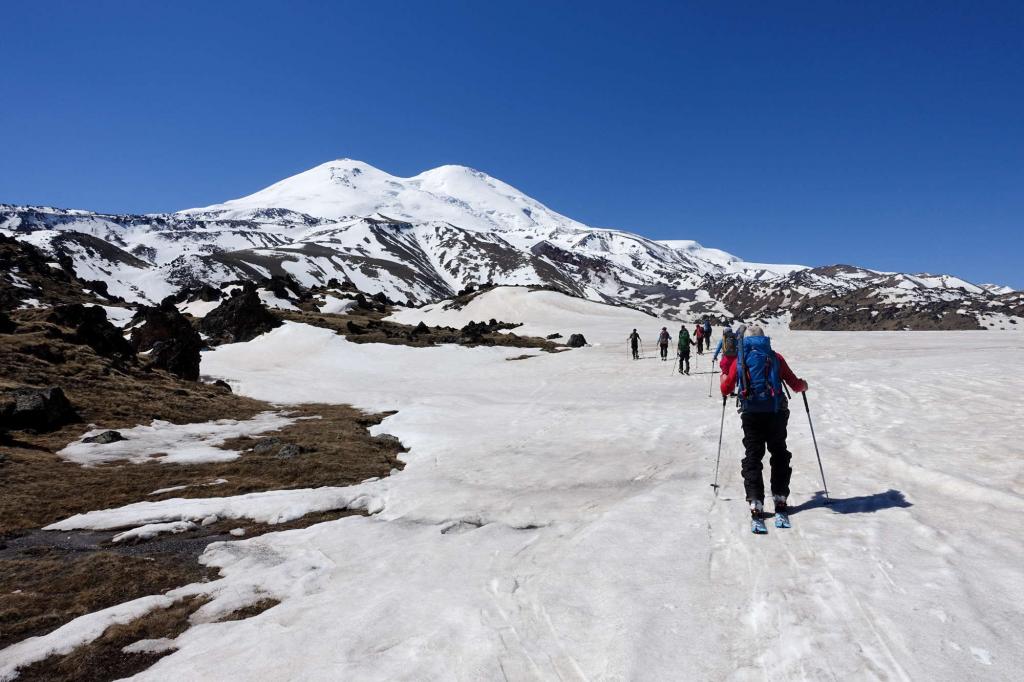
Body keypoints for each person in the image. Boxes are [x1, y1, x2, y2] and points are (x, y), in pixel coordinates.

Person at [720, 326, 808, 528]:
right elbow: (794, 384)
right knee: (778, 452)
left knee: (753, 455)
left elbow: (726, 388)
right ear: (764, 339)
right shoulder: (774, 356)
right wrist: (804, 385)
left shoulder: (741, 359)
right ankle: (780, 497)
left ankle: (755, 500)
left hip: (751, 413)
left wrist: (723, 378)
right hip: (776, 412)